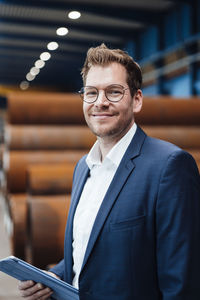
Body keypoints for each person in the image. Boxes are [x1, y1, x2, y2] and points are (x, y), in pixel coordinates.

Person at [18, 43, 200, 300]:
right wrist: (57, 274)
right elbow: (90, 247)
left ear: (137, 100)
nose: (100, 102)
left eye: (113, 92)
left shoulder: (169, 167)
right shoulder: (83, 167)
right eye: (91, 93)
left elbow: (182, 285)